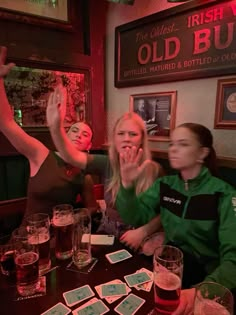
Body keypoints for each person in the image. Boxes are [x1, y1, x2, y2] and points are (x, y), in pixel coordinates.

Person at [115, 122, 236, 314]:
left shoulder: (224, 194)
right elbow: (136, 216)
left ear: (202, 153)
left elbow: (233, 259)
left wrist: (202, 290)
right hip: (169, 272)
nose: (173, 149)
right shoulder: (166, 184)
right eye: (172, 144)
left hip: (209, 280)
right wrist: (128, 186)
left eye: (183, 144)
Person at [46, 84, 164, 249]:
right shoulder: (107, 163)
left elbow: (165, 213)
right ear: (114, 140)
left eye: (133, 134)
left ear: (142, 139)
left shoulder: (153, 169)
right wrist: (55, 128)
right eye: (121, 134)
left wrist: (143, 231)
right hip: (107, 231)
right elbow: (70, 156)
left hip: (139, 236)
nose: (126, 139)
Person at [0, 47, 98, 226]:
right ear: (65, 135)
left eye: (84, 134)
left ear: (88, 146)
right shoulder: (41, 154)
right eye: (74, 130)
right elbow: (6, 122)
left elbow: (91, 207)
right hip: (29, 241)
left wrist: (75, 217)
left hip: (63, 240)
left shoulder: (84, 177)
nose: (78, 135)